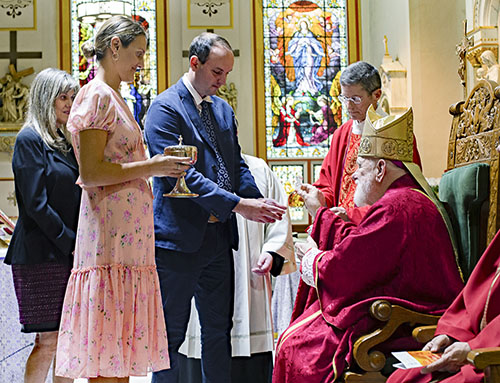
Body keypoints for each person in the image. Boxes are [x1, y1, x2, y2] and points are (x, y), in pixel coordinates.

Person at [272, 106, 464, 383]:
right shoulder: (403, 199)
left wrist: (313, 257)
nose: (353, 176)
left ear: (381, 169)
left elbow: (347, 268)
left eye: (360, 166)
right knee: (298, 338)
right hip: (397, 306)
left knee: (301, 349)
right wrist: (323, 218)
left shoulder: (398, 206)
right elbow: (366, 250)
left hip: (403, 322)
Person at [54, 16, 192, 382]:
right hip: (110, 240)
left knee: (119, 356)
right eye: (137, 53)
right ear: (114, 47)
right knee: (107, 353)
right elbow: (93, 172)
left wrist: (150, 168)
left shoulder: (114, 96)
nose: (140, 63)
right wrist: (154, 166)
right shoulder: (97, 94)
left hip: (126, 241)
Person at [144, 32, 286, 383]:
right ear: (195, 63)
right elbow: (182, 175)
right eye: (217, 73)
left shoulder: (221, 108)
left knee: (218, 333)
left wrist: (256, 199)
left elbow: (233, 164)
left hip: (218, 239)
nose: (222, 82)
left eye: (227, 74)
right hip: (177, 241)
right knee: (170, 337)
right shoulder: (165, 108)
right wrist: (239, 205)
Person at [177, 153, 296, 383]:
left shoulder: (258, 169)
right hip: (200, 274)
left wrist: (271, 252)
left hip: (250, 280)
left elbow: (279, 219)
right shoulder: (191, 170)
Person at [386, 147, 500, 383]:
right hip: (474, 348)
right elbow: (476, 293)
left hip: (490, 359)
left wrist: (471, 348)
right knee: (403, 376)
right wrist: (449, 335)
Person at [3, 68, 80, 383]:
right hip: (41, 255)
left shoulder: (63, 140)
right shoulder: (29, 138)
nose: (69, 103)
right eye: (63, 96)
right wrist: (70, 241)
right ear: (45, 98)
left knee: (69, 341)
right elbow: (35, 204)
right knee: (47, 340)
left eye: (72, 97)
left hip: (68, 252)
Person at [306, 61, 422, 223]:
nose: (348, 106)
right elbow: (328, 185)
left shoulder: (395, 133)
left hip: (378, 227)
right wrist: (318, 197)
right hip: (341, 227)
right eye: (344, 98)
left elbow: (404, 195)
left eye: (355, 99)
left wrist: (353, 215)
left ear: (377, 95)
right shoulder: (342, 134)